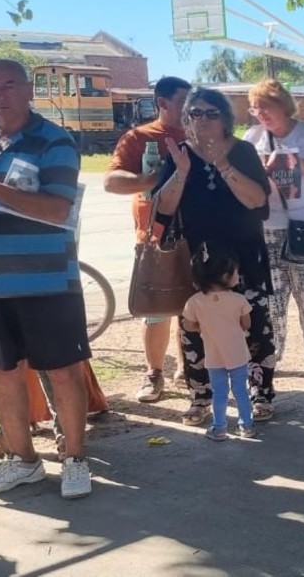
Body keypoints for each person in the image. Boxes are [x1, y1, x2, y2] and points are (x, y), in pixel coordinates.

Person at [0, 58, 94, 499]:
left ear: (29, 91)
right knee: (2, 372)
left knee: (63, 372)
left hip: (46, 282)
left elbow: (57, 210)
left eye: (9, 86)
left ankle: (75, 460)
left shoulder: (54, 141)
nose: (0, 95)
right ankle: (22, 461)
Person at [153, 87, 277, 425]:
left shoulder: (243, 151)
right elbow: (163, 208)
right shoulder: (179, 154)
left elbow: (258, 203)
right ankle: (201, 397)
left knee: (254, 329)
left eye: (211, 113)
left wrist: (222, 163)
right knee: (195, 332)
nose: (204, 119)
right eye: (196, 113)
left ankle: (260, 394)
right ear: (187, 118)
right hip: (197, 263)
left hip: (244, 259)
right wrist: (180, 171)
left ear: (225, 117)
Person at [244, 79, 304, 378]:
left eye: (266, 106)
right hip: (268, 227)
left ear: (284, 106)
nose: (261, 113)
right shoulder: (251, 138)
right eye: (255, 108)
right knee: (272, 299)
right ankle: (270, 356)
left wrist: (297, 163)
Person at [104, 76, 191, 402]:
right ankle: (154, 374)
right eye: (184, 102)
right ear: (162, 103)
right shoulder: (139, 138)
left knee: (194, 309)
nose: (191, 109)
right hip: (156, 238)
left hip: (199, 236)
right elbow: (112, 181)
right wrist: (149, 178)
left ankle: (189, 369)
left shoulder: (203, 134)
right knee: (157, 311)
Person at [182, 244, 256, 441]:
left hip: (214, 354)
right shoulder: (238, 300)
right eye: (235, 272)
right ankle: (246, 425)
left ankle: (220, 427)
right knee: (241, 390)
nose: (237, 275)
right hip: (238, 353)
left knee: (219, 392)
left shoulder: (195, 301)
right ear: (224, 275)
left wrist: (203, 328)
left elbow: (188, 326)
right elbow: (246, 324)